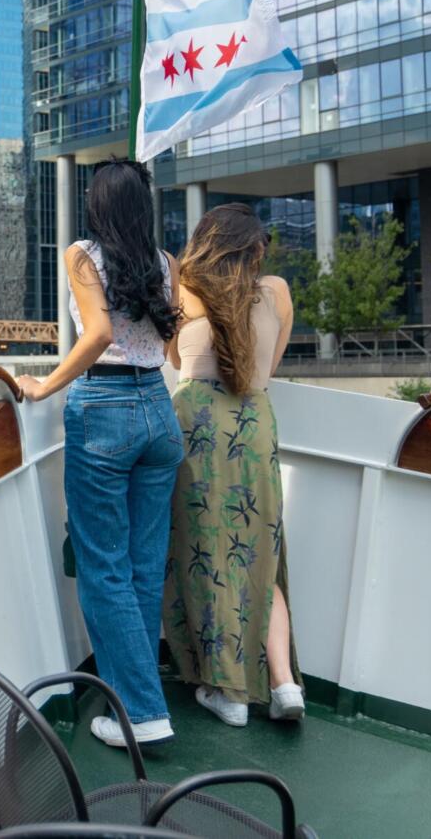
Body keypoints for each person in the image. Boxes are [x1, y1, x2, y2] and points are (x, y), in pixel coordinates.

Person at [17, 159, 183, 748]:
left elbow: (99, 335)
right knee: (139, 567)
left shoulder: (82, 255)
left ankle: (142, 714)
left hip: (106, 409)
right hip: (159, 414)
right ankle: (131, 701)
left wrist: (43, 384)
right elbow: (167, 340)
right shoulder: (167, 263)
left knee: (101, 567)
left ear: (98, 203)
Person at [163, 203, 304, 728]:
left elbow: (176, 362)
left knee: (206, 553)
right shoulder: (278, 292)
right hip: (255, 423)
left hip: (196, 423)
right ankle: (283, 682)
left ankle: (229, 694)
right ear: (255, 247)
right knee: (260, 552)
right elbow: (267, 367)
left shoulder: (183, 288)